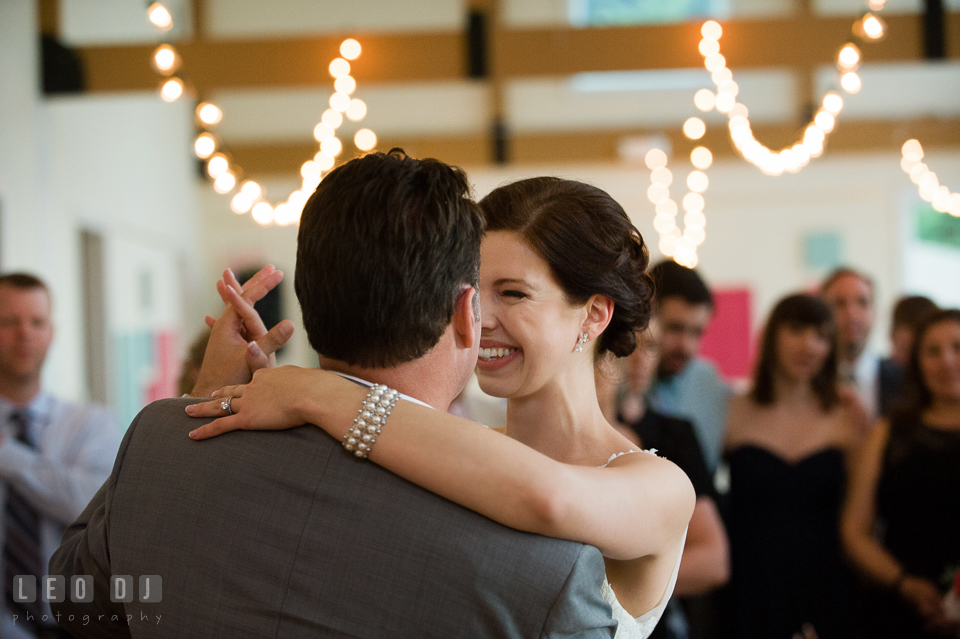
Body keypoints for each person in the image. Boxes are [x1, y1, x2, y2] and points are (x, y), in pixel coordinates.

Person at [50, 152, 623, 638]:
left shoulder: (160, 439)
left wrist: (200, 402)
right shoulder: (548, 571)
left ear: (310, 297)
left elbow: (72, 600)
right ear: (464, 314)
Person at [187, 176, 696, 638]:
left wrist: (313, 390)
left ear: (594, 314)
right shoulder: (431, 442)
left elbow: (550, 499)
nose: (480, 318)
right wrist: (223, 389)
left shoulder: (661, 487)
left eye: (513, 294)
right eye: (475, 293)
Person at [724, 294, 858, 639]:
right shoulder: (734, 411)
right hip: (751, 584)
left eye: (822, 336)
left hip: (827, 582)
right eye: (796, 330)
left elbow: (860, 517)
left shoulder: (847, 417)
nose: (809, 345)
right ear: (772, 336)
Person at [0, 273, 122, 639]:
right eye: (8, 321)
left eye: (37, 322)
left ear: (51, 332)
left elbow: (91, 508)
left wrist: (6, 453)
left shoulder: (92, 423)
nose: (25, 334)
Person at [599, 318, 729, 639]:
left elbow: (713, 560)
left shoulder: (676, 436)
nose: (641, 358)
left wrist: (605, 590)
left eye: (652, 347)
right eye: (632, 345)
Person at [842, 309, 960, 638]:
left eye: (957, 347)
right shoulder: (887, 432)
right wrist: (905, 584)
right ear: (917, 364)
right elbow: (855, 530)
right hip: (900, 606)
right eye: (932, 352)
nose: (947, 361)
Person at [642, 261, 730, 473]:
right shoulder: (609, 382)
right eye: (674, 328)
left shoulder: (709, 384)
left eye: (696, 332)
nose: (686, 346)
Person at [821, 267, 900, 423]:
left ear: (875, 313)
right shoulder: (807, 381)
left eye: (862, 303)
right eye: (839, 303)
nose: (851, 313)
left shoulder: (903, 381)